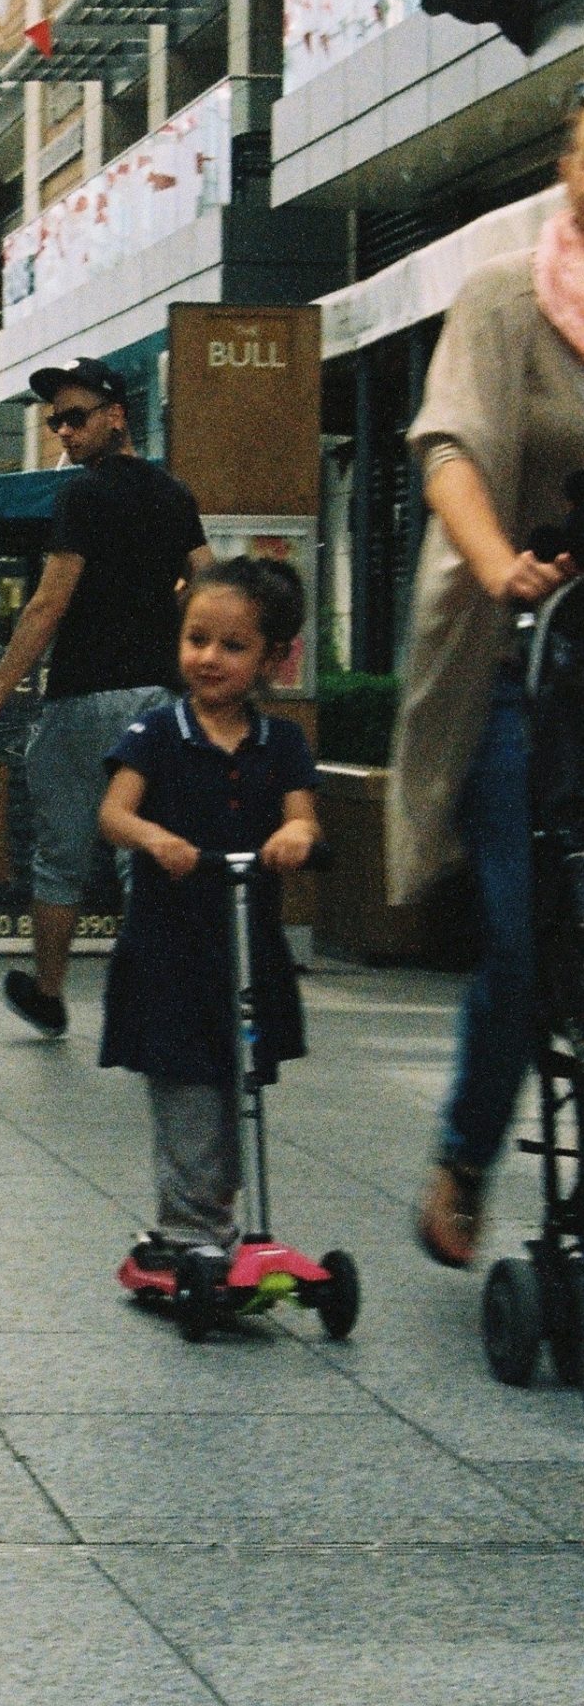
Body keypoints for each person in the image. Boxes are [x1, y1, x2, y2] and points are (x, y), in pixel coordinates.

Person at [389, 111, 584, 1267]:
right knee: (526, 933)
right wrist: (500, 561)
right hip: (519, 662)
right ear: (568, 166)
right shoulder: (507, 297)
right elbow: (450, 450)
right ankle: (466, 1155)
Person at [0, 357, 211, 1038]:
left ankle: (49, 993)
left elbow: (48, 605)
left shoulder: (83, 496)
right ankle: (164, 998)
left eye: (75, 417)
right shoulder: (175, 494)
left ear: (117, 415)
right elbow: (207, 581)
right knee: (144, 851)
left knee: (62, 856)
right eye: (55, 422)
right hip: (161, 700)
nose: (64, 432)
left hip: (85, 699)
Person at [98, 558, 320, 1267]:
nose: (209, 658)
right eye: (197, 639)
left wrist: (295, 835)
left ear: (271, 659)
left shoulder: (281, 743)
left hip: (246, 948)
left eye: (233, 645)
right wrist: (154, 838)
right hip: (171, 950)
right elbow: (114, 814)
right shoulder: (156, 733)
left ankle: (216, 1221)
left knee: (238, 1086)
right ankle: (190, 1230)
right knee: (188, 1091)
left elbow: (303, 816)